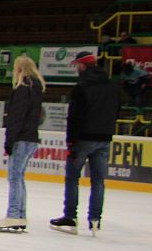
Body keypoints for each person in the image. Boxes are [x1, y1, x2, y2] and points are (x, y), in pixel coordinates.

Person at [51, 52, 120, 234]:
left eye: (77, 65)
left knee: (72, 178)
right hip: (104, 138)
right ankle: (95, 219)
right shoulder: (112, 87)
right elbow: (117, 111)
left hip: (83, 139)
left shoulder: (81, 87)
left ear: (82, 65)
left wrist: (71, 142)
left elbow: (74, 117)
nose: (76, 69)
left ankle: (70, 217)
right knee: (98, 181)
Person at [0, 54, 44, 233]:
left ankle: (14, 214)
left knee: (14, 177)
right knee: (19, 177)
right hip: (31, 138)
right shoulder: (36, 89)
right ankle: (20, 215)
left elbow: (16, 117)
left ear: (19, 69)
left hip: (21, 138)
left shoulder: (22, 89)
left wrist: (9, 140)